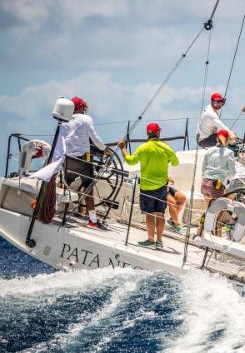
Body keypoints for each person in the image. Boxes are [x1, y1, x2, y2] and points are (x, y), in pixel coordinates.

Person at [118, 122, 179, 249]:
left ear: (147, 134)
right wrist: (165, 159)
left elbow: (129, 160)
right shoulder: (165, 148)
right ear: (158, 133)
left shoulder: (143, 148)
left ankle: (151, 241)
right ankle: (160, 241)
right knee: (160, 213)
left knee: (150, 214)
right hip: (161, 187)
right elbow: (175, 162)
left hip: (146, 187)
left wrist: (123, 148)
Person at [60, 96, 112, 229]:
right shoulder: (85, 119)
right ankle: (92, 221)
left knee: (63, 185)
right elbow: (95, 138)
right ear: (82, 107)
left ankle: (52, 211)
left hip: (68, 160)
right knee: (89, 190)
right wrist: (104, 149)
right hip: (84, 161)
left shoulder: (64, 121)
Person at [196, 129, 236, 236]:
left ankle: (199, 232)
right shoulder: (229, 153)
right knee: (219, 212)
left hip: (205, 184)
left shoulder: (209, 150)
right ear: (227, 139)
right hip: (216, 185)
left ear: (216, 138)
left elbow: (204, 168)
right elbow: (232, 173)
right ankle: (215, 237)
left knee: (209, 209)